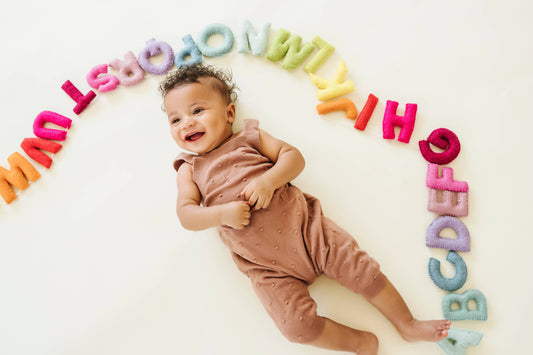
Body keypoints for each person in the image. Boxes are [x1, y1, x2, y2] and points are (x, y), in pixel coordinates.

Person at [160, 63, 451, 354]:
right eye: (175, 119)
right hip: (266, 268)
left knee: (364, 272)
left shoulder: (249, 138)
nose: (186, 123)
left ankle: (407, 324)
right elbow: (187, 214)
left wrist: (269, 181)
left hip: (309, 232)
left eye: (197, 111)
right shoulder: (190, 168)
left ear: (230, 114)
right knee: (296, 328)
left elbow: (293, 158)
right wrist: (221, 215)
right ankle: (360, 343)